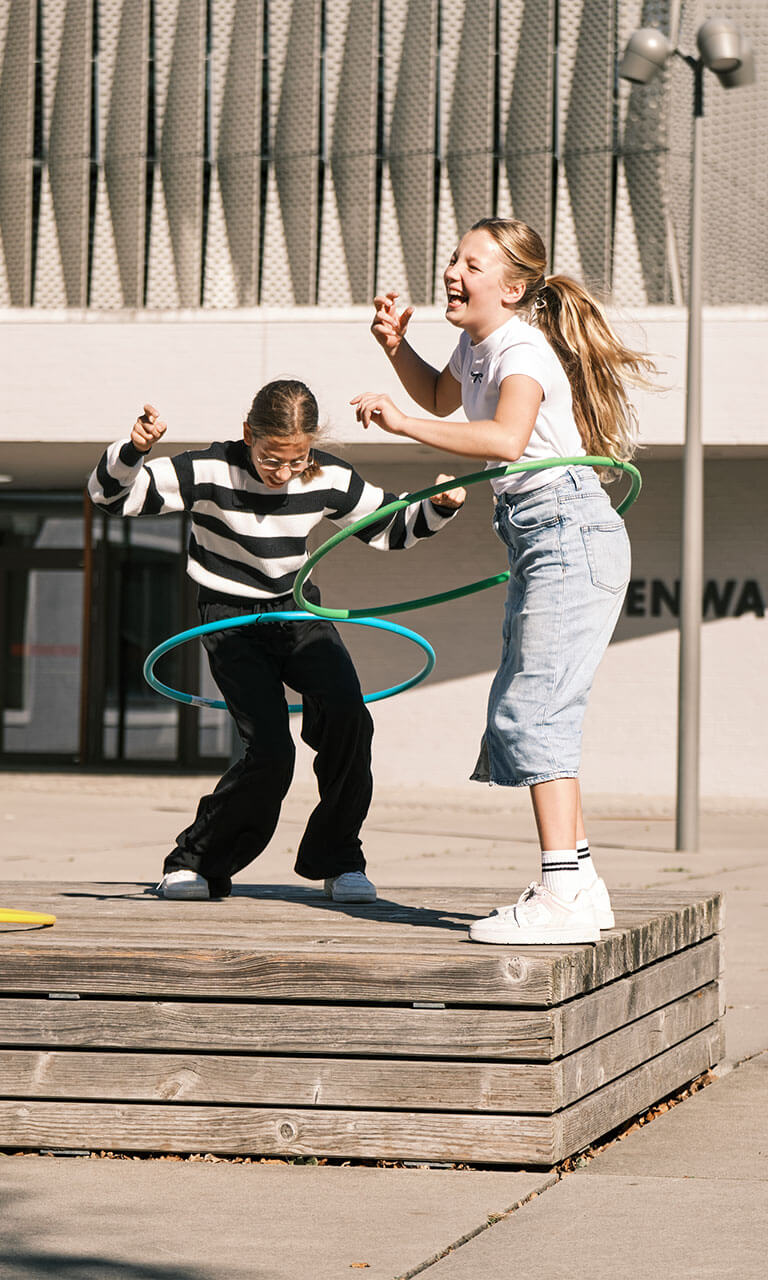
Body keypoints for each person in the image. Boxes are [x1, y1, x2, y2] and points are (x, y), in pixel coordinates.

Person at [353, 216, 657, 944]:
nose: (452, 272)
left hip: (568, 531)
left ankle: (562, 891)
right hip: (537, 536)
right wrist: (397, 347)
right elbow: (439, 396)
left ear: (513, 288)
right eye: (454, 258)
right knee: (527, 704)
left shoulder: (521, 345)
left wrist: (398, 425)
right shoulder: (477, 343)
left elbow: (503, 441)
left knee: (533, 712)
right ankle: (578, 883)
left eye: (472, 264)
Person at [88, 378, 465, 902]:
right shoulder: (207, 470)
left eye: (297, 460)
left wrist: (441, 504)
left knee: (350, 722)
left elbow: (391, 529)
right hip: (228, 617)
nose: (284, 473)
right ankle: (195, 862)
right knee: (269, 750)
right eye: (272, 459)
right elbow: (111, 497)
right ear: (248, 434)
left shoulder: (328, 475)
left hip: (297, 610)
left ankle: (337, 859)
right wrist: (135, 449)